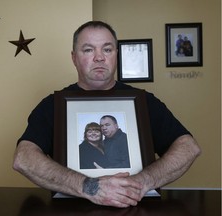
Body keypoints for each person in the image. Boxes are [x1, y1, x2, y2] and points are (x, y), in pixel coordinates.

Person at [13, 21, 201, 208]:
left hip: (136, 206)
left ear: (116, 55)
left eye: (107, 49)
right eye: (88, 50)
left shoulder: (145, 102)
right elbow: (24, 158)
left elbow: (188, 148)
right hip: (71, 210)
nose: (99, 57)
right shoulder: (52, 105)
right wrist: (90, 187)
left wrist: (142, 182)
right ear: (74, 58)